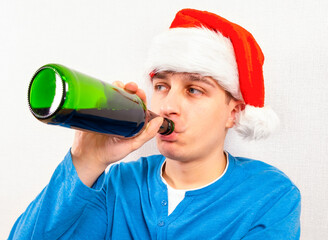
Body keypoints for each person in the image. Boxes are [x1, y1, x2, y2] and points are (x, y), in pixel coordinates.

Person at [9, 8, 301, 239]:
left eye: (194, 90)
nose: (167, 106)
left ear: (233, 112)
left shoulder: (270, 195)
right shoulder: (117, 185)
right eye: (162, 86)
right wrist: (86, 162)